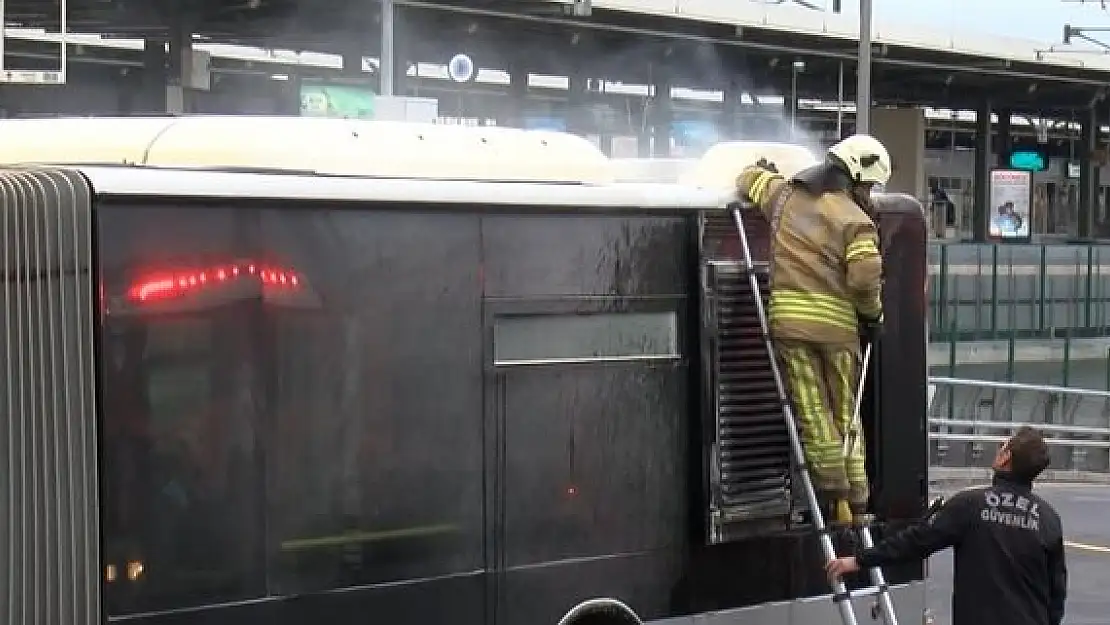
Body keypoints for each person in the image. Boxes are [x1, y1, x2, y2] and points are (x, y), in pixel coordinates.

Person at [734, 134, 890, 523]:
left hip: (788, 325)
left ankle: (831, 494)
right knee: (845, 413)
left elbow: (747, 179)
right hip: (838, 332)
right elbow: (865, 279)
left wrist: (763, 171)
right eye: (869, 185)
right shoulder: (856, 221)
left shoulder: (783, 197)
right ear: (855, 175)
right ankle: (855, 500)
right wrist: (873, 316)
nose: (869, 193)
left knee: (811, 410)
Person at [826, 426, 1067, 625]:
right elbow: (1057, 594)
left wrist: (858, 560)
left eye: (1003, 445)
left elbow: (916, 542)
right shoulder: (1049, 519)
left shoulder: (971, 505)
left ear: (1006, 458)